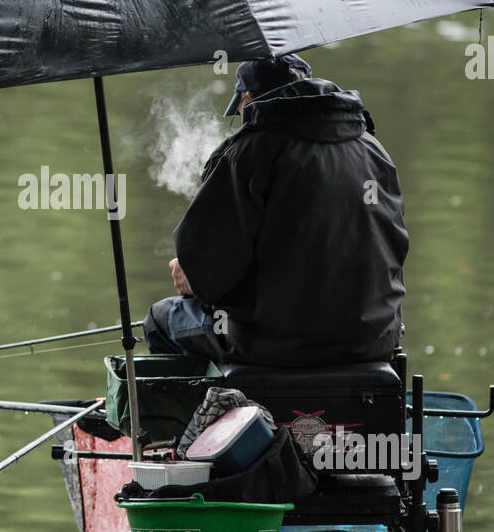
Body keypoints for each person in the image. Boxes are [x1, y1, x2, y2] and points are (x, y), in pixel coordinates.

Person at [143, 53, 408, 368]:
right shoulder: (371, 147)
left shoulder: (248, 152)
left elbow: (210, 277)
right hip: (373, 337)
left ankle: (206, 414)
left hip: (273, 343)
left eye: (241, 106)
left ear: (250, 98)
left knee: (161, 320)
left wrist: (192, 274)